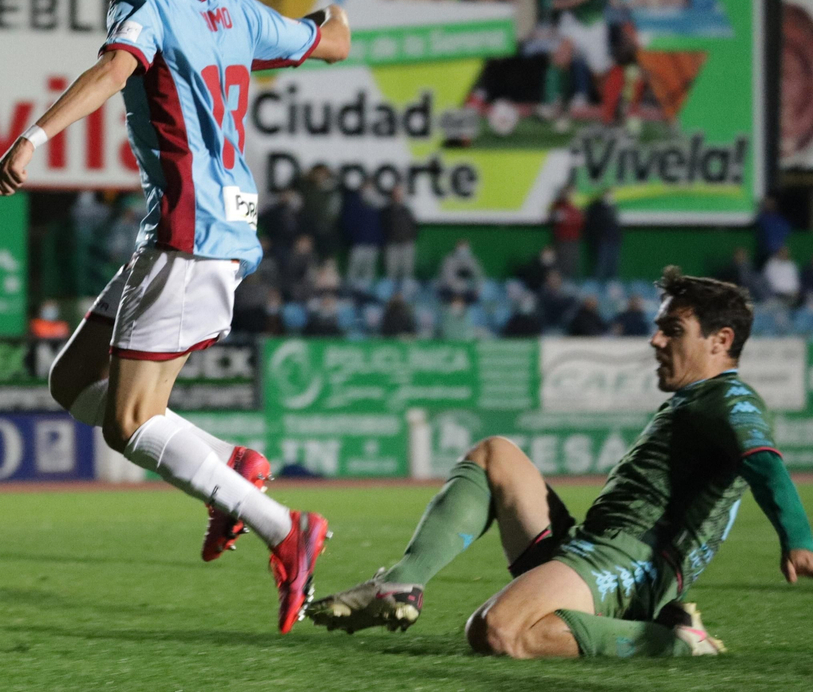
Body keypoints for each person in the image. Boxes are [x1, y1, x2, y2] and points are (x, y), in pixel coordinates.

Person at [0, 0, 351, 633]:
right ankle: (230, 466)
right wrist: (330, 9)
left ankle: (287, 529)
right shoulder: (237, 14)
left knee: (127, 422)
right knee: (70, 378)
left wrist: (32, 138)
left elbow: (113, 72)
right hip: (202, 228)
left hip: (190, 232)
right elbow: (334, 40)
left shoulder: (142, 9)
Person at [309, 267, 813, 658]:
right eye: (659, 328)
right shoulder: (697, 399)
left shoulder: (731, 398)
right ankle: (400, 582)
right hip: (592, 549)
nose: (656, 340)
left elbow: (763, 461)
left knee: (498, 632)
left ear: (720, 341)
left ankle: (674, 641)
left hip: (629, 568)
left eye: (673, 329)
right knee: (496, 455)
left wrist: (798, 537)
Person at [340, 183, 382, 286]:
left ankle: (366, 294)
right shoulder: (354, 203)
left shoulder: (377, 206)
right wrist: (352, 237)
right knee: (353, 271)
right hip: (358, 243)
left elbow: (380, 226)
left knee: (369, 272)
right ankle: (350, 293)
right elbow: (349, 222)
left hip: (372, 244)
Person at [381, 185, 418, 283]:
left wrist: (410, 237)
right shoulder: (387, 210)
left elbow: (414, 225)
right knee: (391, 272)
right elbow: (383, 227)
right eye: (395, 194)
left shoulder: (407, 210)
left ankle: (406, 296)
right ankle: (390, 296)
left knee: (407, 272)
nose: (397, 196)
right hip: (392, 244)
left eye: (399, 194)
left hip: (406, 243)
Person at [585, 189, 621, 282]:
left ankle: (611, 286)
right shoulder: (597, 208)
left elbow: (616, 225)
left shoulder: (613, 208)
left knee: (613, 265)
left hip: (614, 240)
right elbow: (596, 224)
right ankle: (597, 286)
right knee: (601, 265)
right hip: (602, 240)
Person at [548, 185, 583, 278]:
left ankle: (569, 282)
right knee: (562, 262)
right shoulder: (558, 206)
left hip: (574, 239)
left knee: (572, 262)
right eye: (569, 193)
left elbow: (579, 221)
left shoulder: (575, 206)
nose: (571, 195)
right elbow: (560, 220)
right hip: (562, 239)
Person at [437, 239, 484, 304]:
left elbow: (478, 278)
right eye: (461, 250)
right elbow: (445, 279)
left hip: (466, 292)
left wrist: (476, 289)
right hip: (451, 291)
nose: (463, 253)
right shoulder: (449, 260)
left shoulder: (473, 262)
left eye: (465, 250)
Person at [756, 197, 790, 265]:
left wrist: (780, 247)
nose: (769, 205)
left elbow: (787, 229)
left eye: (771, 204)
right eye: (767, 204)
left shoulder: (780, 219)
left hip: (778, 249)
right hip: (767, 251)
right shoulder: (763, 218)